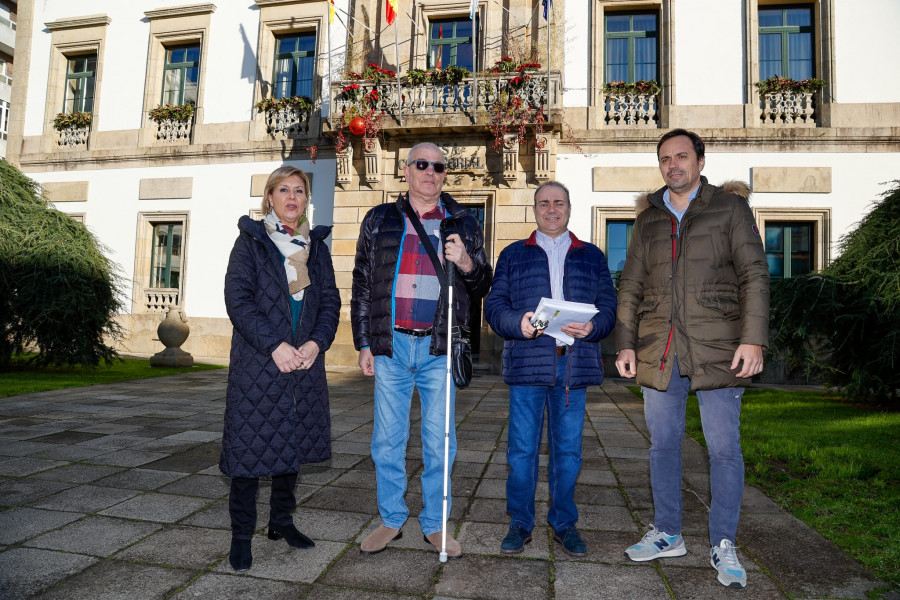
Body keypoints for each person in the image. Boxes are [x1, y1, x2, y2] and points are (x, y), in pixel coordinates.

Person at [615, 129, 769, 589]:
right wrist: (625, 344)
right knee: (662, 445)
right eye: (665, 158)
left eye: (682, 156)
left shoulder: (730, 208)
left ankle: (723, 542)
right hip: (659, 349)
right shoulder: (649, 219)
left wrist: (753, 339)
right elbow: (631, 285)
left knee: (724, 450)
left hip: (720, 349)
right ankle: (667, 533)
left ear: (700, 160)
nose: (673, 165)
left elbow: (755, 276)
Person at [351, 142, 492, 559]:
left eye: (439, 167)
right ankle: (392, 520)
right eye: (422, 164)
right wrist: (364, 343)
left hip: (438, 346)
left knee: (439, 440)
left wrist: (466, 262)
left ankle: (435, 525)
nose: (431, 172)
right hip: (391, 345)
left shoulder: (462, 221)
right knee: (387, 441)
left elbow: (483, 284)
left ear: (445, 174)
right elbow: (362, 284)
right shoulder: (379, 219)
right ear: (406, 170)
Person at [484, 181, 617, 557]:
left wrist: (594, 327)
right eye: (544, 203)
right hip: (529, 364)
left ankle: (563, 524)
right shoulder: (512, 255)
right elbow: (494, 307)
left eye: (559, 202)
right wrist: (517, 323)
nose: (552, 209)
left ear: (569, 208)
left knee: (568, 453)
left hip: (573, 367)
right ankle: (520, 523)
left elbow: (609, 305)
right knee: (521, 451)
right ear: (535, 209)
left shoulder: (592, 256)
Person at [221, 165, 340, 572]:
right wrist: (275, 346)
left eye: (300, 191)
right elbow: (238, 301)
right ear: (269, 197)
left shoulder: (316, 247)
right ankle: (241, 536)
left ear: (307, 199)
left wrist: (314, 343)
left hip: (304, 361)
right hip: (259, 363)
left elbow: (330, 304)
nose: (292, 198)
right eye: (284, 190)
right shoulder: (251, 243)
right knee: (249, 450)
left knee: (291, 444)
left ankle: (282, 522)